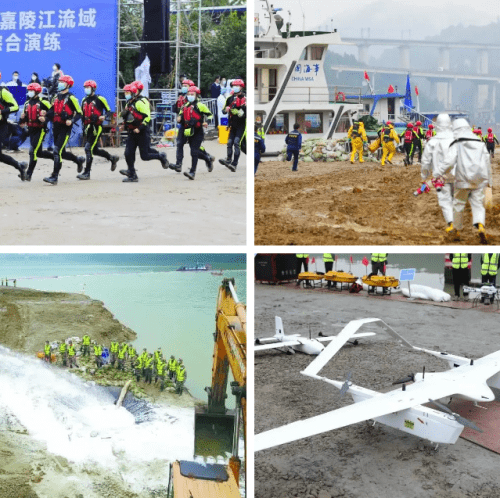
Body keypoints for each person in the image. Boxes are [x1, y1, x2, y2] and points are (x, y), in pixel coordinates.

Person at [436, 118, 492, 243]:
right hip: (479, 179)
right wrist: (489, 183)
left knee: (458, 204)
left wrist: (438, 173)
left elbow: (449, 162)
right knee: (478, 205)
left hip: (463, 179)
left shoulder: (457, 143)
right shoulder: (480, 142)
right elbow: (487, 162)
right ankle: (481, 227)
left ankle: (457, 230)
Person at [119, 83, 170, 182]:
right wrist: (123, 125)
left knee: (145, 156)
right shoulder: (129, 103)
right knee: (128, 153)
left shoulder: (140, 102)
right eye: (125, 92)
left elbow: (147, 117)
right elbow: (128, 117)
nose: (126, 94)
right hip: (132, 132)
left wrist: (140, 128)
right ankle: (132, 174)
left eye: (128, 92)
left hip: (142, 132)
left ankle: (161, 157)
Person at [43, 75, 85, 184]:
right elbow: (51, 111)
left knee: (57, 151)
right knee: (62, 153)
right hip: (56, 127)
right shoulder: (55, 97)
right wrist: (45, 116)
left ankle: (54, 176)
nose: (59, 83)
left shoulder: (71, 98)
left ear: (68, 85)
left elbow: (80, 113)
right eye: (59, 82)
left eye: (62, 82)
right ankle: (78, 160)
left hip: (65, 129)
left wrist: (72, 120)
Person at [420, 114, 455, 234]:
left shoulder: (433, 141)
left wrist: (424, 177)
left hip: (441, 177)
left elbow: (425, 162)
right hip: (458, 175)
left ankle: (451, 224)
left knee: (445, 200)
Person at [79, 80, 119, 180]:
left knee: (88, 148)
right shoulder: (84, 100)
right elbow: (82, 114)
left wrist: (104, 116)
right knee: (95, 150)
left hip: (96, 127)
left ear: (93, 89)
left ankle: (87, 173)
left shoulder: (100, 98)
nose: (86, 89)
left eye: (88, 87)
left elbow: (109, 112)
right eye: (85, 88)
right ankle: (112, 158)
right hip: (87, 127)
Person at [172, 85, 214, 180]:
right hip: (187, 130)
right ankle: (207, 158)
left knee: (194, 152)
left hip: (197, 131)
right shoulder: (185, 106)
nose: (190, 96)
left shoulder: (200, 105)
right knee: (187, 148)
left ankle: (192, 172)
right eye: (189, 94)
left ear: (196, 95)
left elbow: (210, 115)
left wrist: (207, 122)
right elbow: (180, 116)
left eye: (192, 94)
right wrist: (179, 119)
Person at [17, 83, 53, 181]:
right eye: (28, 90)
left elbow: (53, 112)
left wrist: (45, 117)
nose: (29, 92)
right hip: (31, 129)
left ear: (37, 92)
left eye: (31, 90)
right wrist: (21, 119)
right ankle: (55, 157)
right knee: (39, 153)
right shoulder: (27, 103)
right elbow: (23, 121)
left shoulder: (43, 102)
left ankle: (28, 174)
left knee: (33, 151)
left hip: (40, 130)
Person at [0, 76, 27, 180]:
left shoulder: (3, 92)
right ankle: (20, 167)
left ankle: (20, 167)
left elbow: (15, 106)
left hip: (1, 126)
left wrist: (2, 111)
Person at [219, 79, 246, 172]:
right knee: (229, 142)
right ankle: (228, 160)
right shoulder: (229, 98)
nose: (234, 88)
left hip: (242, 125)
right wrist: (226, 110)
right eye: (233, 86)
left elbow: (245, 113)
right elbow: (223, 110)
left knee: (236, 143)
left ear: (241, 87)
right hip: (232, 124)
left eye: (237, 86)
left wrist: (239, 112)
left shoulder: (244, 99)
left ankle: (234, 164)